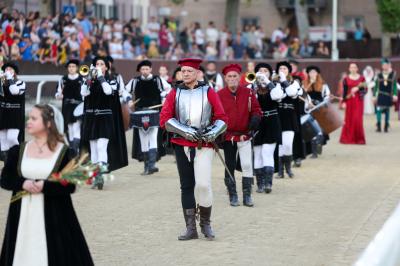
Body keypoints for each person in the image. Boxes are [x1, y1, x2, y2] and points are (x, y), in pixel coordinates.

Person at [0, 104, 93, 266]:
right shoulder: (18, 151)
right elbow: (5, 179)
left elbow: (70, 185)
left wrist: (46, 187)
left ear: (48, 123)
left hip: (55, 219)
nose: (29, 122)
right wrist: (23, 183)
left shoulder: (64, 153)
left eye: (34, 118)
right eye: (29, 118)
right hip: (21, 218)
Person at [160, 58, 228, 241]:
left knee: (204, 185)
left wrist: (211, 133)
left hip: (204, 144)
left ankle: (205, 223)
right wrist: (186, 131)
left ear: (198, 73)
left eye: (190, 71)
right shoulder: (174, 92)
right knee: (187, 186)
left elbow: (222, 118)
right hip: (182, 145)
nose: (186, 74)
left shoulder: (209, 91)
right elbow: (164, 118)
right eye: (183, 71)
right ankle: (191, 228)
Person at [217, 64, 262, 207]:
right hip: (228, 136)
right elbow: (215, 114)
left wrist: (255, 118)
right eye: (229, 76)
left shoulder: (248, 93)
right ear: (225, 78)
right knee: (229, 164)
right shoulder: (219, 95)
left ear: (239, 77)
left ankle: (247, 195)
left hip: (245, 135)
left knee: (247, 164)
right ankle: (233, 194)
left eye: (235, 76)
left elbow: (256, 110)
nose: (232, 79)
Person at [80, 56, 126, 189]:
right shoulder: (89, 80)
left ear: (106, 67)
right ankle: (96, 176)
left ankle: (100, 176)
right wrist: (88, 79)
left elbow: (108, 91)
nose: (98, 66)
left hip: (105, 118)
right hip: (91, 118)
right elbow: (83, 93)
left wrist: (100, 77)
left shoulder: (112, 80)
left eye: (101, 64)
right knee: (93, 149)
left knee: (101, 147)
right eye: (96, 64)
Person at [125, 60, 165, 175]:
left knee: (152, 138)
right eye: (143, 69)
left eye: (147, 69)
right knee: (143, 140)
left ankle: (151, 165)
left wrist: (164, 99)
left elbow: (166, 90)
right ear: (140, 70)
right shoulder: (135, 81)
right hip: (140, 113)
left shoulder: (157, 79)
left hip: (153, 112)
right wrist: (128, 100)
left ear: (151, 69)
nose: (145, 71)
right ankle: (146, 167)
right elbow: (125, 91)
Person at [251, 63, 284, 194]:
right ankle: (260, 183)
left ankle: (268, 183)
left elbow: (277, 96)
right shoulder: (252, 87)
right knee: (258, 153)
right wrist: (254, 85)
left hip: (272, 121)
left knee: (267, 152)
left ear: (270, 74)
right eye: (260, 71)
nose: (262, 73)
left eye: (266, 71)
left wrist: (268, 82)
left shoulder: (276, 86)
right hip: (258, 122)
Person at [275, 61, 302, 178]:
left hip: (290, 116)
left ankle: (288, 168)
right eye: (280, 68)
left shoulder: (294, 82)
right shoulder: (274, 83)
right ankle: (280, 170)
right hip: (277, 115)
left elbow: (293, 94)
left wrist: (284, 81)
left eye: (285, 69)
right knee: (280, 145)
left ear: (289, 71)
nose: (282, 70)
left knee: (288, 144)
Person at [55, 59, 83, 153]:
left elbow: (85, 94)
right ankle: (72, 150)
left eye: (73, 66)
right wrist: (59, 95)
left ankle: (76, 150)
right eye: (69, 67)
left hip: (78, 107)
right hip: (67, 106)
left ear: (77, 68)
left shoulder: (82, 79)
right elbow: (58, 93)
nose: (71, 68)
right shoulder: (63, 79)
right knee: (70, 128)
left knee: (76, 128)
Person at [0, 62, 25, 162]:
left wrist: (9, 79)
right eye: (6, 70)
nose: (8, 71)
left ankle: (18, 158)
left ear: (15, 72)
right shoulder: (1, 83)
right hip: (3, 114)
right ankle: (8, 165)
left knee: (12, 138)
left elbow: (14, 91)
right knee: (3, 141)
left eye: (11, 70)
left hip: (15, 115)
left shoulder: (21, 83)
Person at [303, 65, 330, 158]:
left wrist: (320, 104)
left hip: (319, 109)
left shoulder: (323, 85)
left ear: (317, 74)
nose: (312, 74)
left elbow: (327, 97)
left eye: (314, 72)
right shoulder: (304, 84)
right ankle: (313, 152)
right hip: (309, 110)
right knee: (311, 131)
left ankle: (319, 144)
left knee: (319, 131)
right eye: (310, 72)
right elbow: (303, 95)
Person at [339, 63, 366, 144]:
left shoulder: (362, 78)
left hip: (358, 101)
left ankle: (359, 139)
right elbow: (344, 92)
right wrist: (343, 102)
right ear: (349, 69)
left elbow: (365, 89)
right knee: (349, 120)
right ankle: (348, 138)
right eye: (351, 67)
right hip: (349, 101)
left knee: (357, 119)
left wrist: (357, 88)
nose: (353, 69)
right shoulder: (346, 79)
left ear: (357, 69)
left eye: (354, 67)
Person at [373, 58, 398, 132]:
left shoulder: (393, 75)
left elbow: (394, 86)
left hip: (388, 95)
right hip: (380, 95)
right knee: (379, 110)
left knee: (387, 110)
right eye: (384, 65)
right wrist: (374, 95)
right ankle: (379, 125)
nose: (385, 66)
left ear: (389, 66)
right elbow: (376, 86)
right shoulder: (379, 75)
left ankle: (386, 125)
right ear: (382, 66)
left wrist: (395, 94)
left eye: (387, 65)